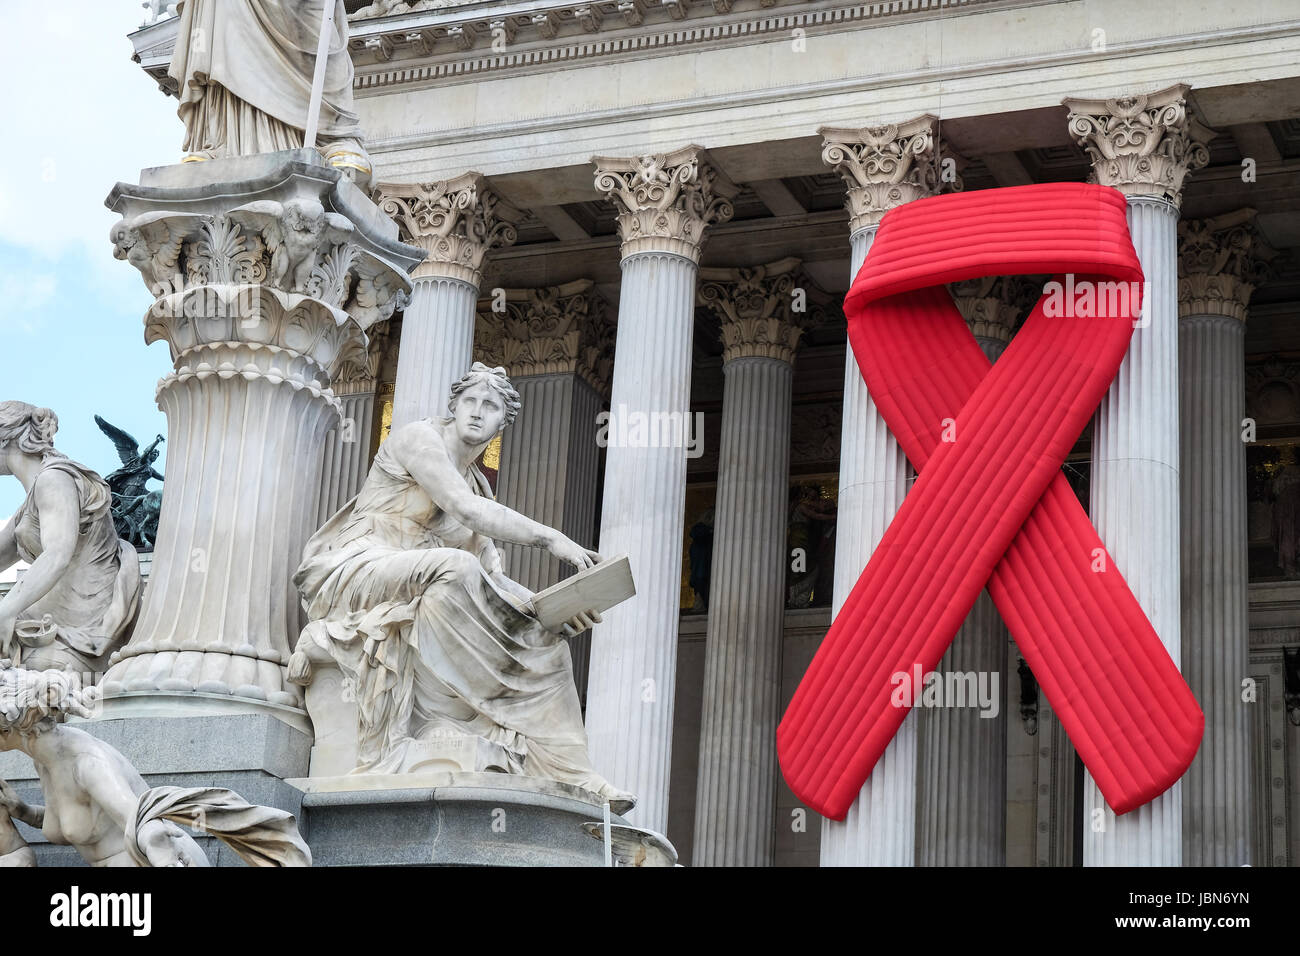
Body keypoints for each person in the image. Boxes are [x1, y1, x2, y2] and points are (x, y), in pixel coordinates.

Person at [291, 363, 635, 812]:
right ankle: (437, 724)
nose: (476, 412)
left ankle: (574, 770)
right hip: (358, 568)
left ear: (502, 423)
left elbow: (492, 581)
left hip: (427, 573)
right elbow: (463, 511)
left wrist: (551, 612)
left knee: (545, 643)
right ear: (453, 407)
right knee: (454, 566)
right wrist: (552, 538)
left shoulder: (477, 488)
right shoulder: (419, 439)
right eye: (469, 402)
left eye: (489, 406)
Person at [0, 664, 310, 867]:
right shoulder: (46, 760)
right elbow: (71, 820)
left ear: (9, 728)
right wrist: (23, 811)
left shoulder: (86, 763)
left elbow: (139, 819)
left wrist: (161, 853)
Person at [0, 402, 140, 678]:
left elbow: (57, 555)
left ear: (6, 437)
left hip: (82, 624)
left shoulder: (54, 479)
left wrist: (7, 609)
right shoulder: (31, 500)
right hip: (54, 614)